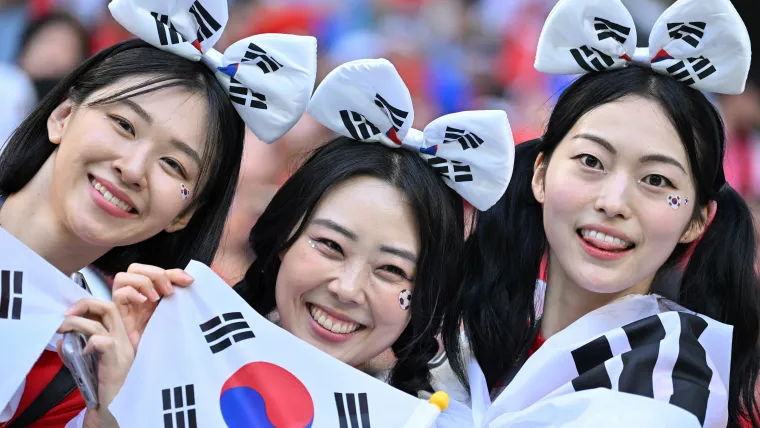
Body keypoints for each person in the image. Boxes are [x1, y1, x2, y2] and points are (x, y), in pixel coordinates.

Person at [93, 58, 514, 413]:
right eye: (330, 246)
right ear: (283, 240)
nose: (347, 289)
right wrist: (120, 400)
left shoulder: (433, 419)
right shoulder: (156, 348)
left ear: (423, 294)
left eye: (391, 269)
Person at [439, 0, 760, 427]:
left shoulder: (672, 393)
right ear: (541, 174)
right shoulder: (454, 330)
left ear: (697, 220)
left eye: (657, 180)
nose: (614, 201)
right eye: (591, 162)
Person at [0, 0, 317, 426]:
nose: (132, 169)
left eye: (173, 165)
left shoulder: (90, 367)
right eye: (124, 124)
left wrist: (111, 410)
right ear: (63, 115)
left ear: (185, 214)